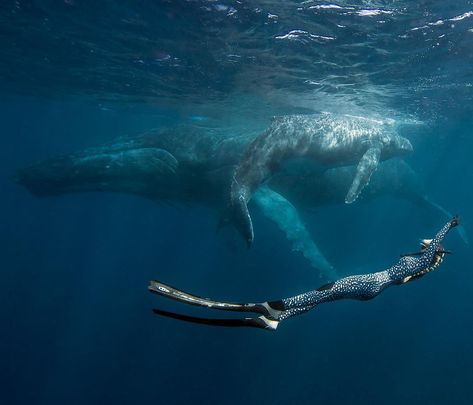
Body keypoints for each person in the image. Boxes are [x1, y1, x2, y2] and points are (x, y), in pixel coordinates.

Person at [149, 217, 459, 331]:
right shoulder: (421, 265)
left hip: (372, 282)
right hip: (374, 287)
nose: (425, 243)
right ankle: (275, 318)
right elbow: (430, 248)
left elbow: (435, 242)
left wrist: (449, 226)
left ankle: (274, 305)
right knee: (324, 297)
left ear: (436, 250)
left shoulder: (426, 258)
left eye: (432, 245)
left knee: (327, 289)